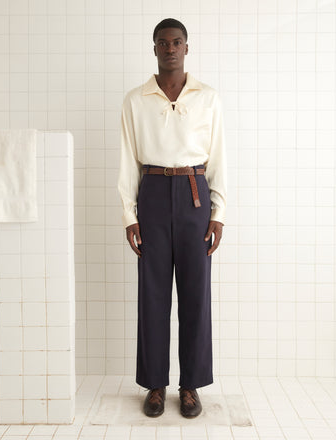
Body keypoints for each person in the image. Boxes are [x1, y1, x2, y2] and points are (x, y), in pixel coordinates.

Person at [117, 18, 227, 418]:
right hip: (153, 193)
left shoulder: (208, 97)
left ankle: (191, 385)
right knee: (154, 294)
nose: (170, 48)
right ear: (154, 49)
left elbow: (218, 158)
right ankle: (156, 385)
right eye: (162, 43)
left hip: (196, 196)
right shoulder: (135, 100)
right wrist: (129, 215)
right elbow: (128, 160)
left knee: (196, 295)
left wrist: (219, 213)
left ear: (186, 47)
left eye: (176, 42)